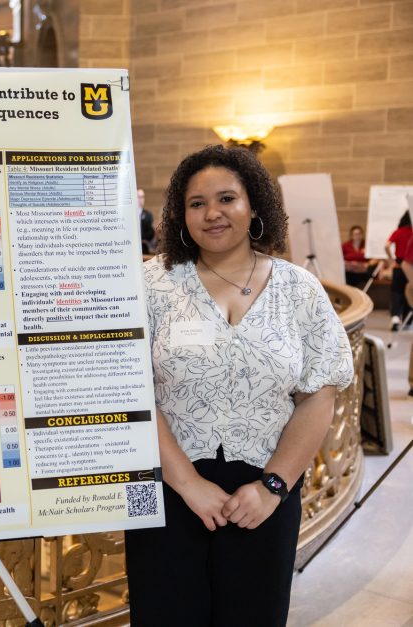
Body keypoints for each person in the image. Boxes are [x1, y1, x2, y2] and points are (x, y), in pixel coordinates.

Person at [125, 145, 353, 626]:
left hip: (263, 495)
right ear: (179, 213)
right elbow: (129, 391)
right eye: (196, 203)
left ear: (254, 206)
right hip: (165, 488)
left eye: (227, 198)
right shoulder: (148, 284)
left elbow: (320, 393)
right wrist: (188, 485)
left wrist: (273, 486)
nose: (212, 214)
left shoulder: (300, 289)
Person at [385, 211, 412, 330]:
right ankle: (408, 319)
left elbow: (386, 245)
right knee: (409, 292)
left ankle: (395, 317)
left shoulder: (398, 232)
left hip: (398, 265)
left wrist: (391, 260)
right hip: (411, 265)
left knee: (396, 292)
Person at [137, 188, 155, 254]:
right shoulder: (130, 214)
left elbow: (150, 233)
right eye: (139, 197)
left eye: (142, 197)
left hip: (144, 246)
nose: (141, 199)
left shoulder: (148, 214)